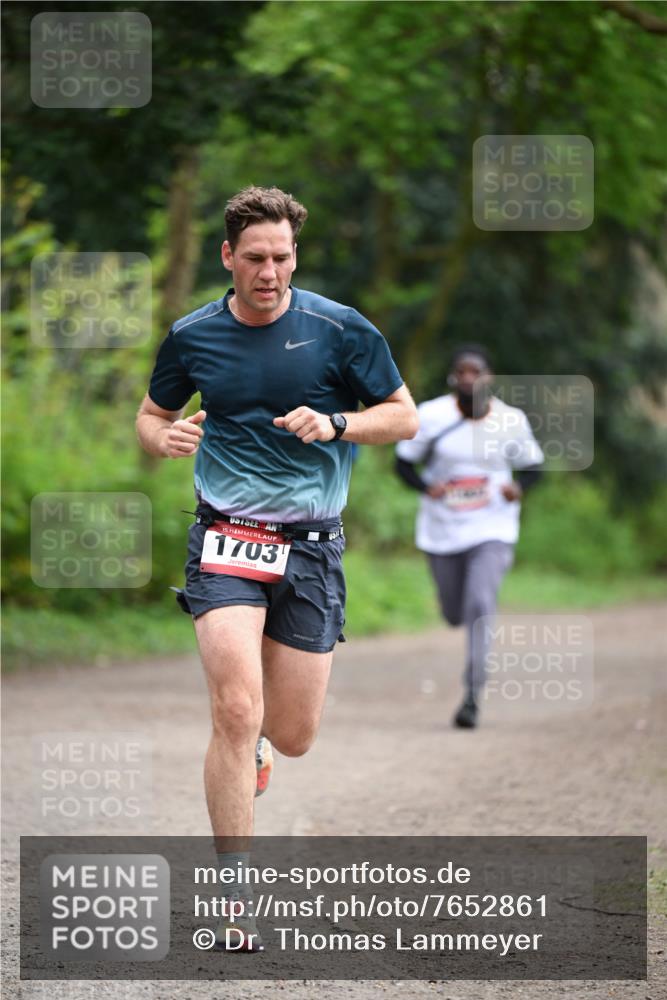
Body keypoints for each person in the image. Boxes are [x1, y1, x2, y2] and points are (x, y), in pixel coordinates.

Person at [136, 185, 418, 949]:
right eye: (255, 258)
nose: (270, 271)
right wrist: (158, 439)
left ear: (296, 254)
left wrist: (337, 422)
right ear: (227, 256)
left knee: (289, 733)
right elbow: (152, 412)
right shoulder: (193, 334)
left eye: (282, 257)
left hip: (311, 548)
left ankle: (263, 746)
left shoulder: (339, 329)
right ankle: (233, 902)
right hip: (225, 538)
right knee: (233, 708)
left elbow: (403, 413)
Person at [395, 345, 543, 730]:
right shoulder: (431, 415)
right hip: (443, 528)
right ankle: (456, 613)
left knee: (480, 603)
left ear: (489, 378)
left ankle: (473, 695)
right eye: (461, 372)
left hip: (492, 527)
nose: (468, 379)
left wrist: (518, 489)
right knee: (454, 611)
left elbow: (532, 467)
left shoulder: (511, 420)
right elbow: (404, 463)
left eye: (476, 372)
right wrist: (427, 487)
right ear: (452, 379)